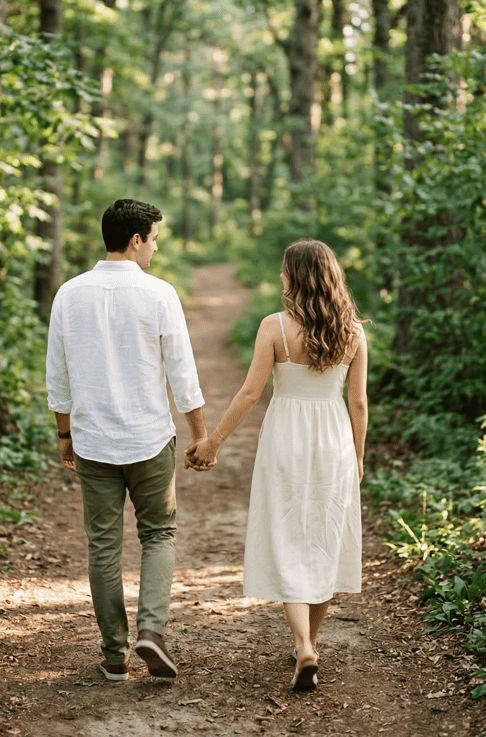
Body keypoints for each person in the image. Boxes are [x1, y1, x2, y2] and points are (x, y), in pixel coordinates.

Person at [185, 238, 368, 692]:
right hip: (333, 438)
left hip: (286, 436)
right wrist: (358, 458)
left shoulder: (275, 327)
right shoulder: (354, 333)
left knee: (288, 533)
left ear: (293, 278)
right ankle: (310, 644)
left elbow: (250, 394)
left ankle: (304, 645)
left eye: (284, 271)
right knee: (324, 535)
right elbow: (359, 403)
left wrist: (213, 442)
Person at [46, 199, 212, 683]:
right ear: (136, 239)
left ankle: (114, 655)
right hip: (149, 438)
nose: (156, 248)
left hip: (93, 441)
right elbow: (183, 374)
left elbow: (58, 376)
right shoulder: (159, 295)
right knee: (158, 534)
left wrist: (64, 434)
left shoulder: (68, 295)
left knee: (102, 545)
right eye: (154, 238)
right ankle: (151, 632)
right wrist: (201, 435)